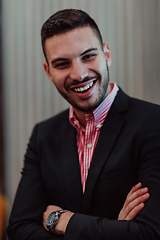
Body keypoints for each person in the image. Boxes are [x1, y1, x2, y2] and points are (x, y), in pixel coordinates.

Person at [7, 9, 160, 240]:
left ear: (107, 54)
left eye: (88, 56)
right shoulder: (43, 136)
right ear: (48, 71)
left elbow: (149, 232)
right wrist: (114, 231)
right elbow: (19, 229)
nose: (78, 74)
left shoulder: (153, 122)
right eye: (62, 64)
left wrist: (61, 221)